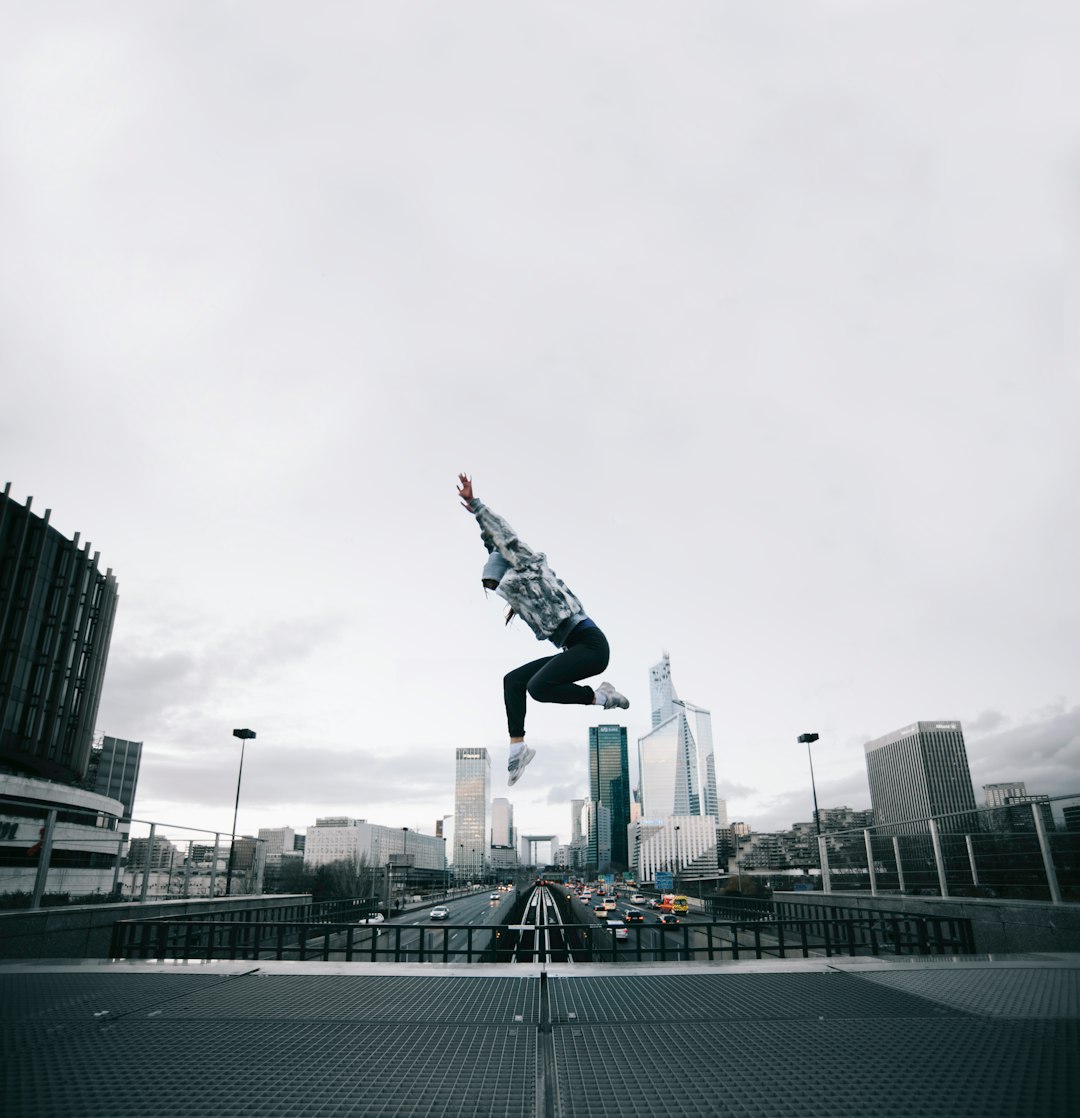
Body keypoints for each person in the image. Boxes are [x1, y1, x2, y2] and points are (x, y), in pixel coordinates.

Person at [458, 473, 628, 786]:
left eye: (496, 582)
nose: (498, 589)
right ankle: (517, 748)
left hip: (592, 646)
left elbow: (502, 538)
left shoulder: (528, 565)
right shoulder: (513, 584)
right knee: (514, 681)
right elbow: (490, 545)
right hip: (575, 649)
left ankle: (602, 698)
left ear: (508, 568)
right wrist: (479, 527)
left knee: (538, 687)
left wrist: (475, 504)